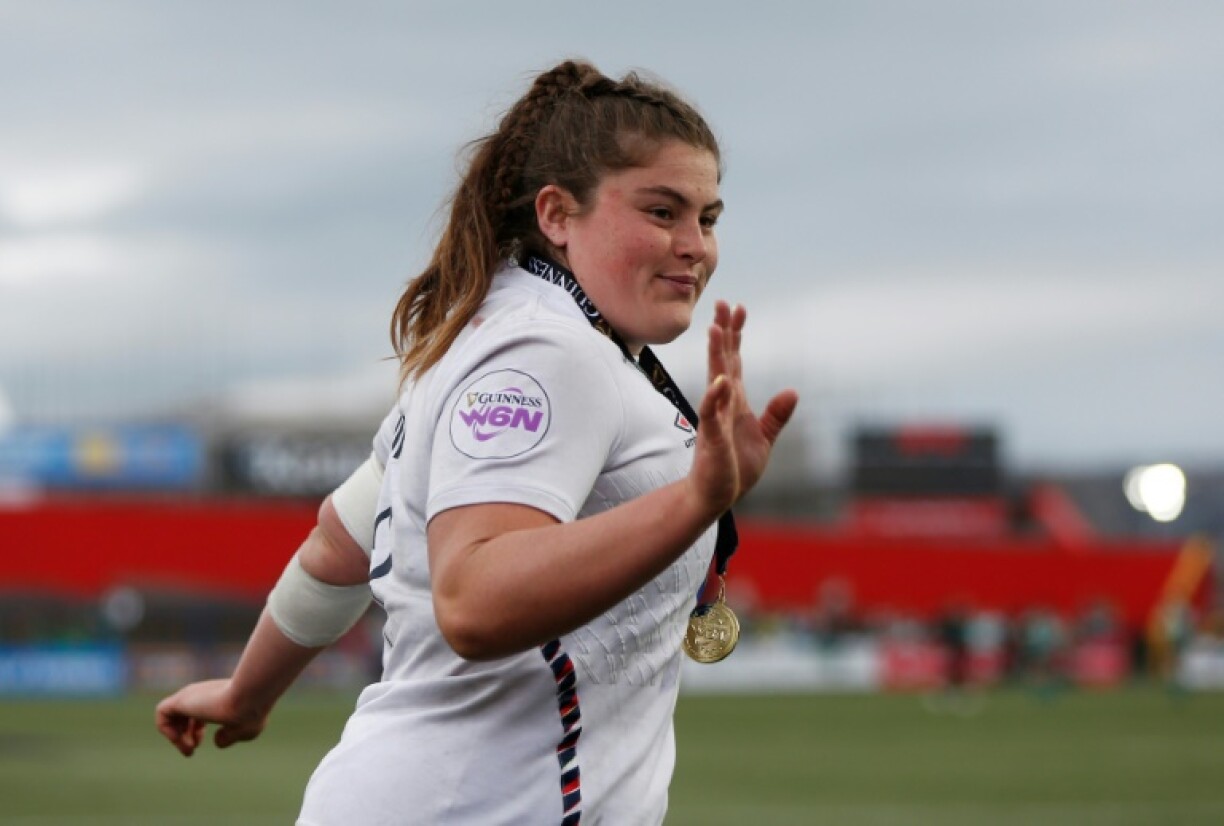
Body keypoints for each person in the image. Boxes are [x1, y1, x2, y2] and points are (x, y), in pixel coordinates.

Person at [155, 58, 798, 824]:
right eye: (663, 212)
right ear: (558, 215)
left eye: (709, 217)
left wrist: (246, 692)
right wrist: (697, 500)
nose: (696, 244)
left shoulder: (505, 333)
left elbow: (341, 545)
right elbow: (474, 602)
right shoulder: (548, 351)